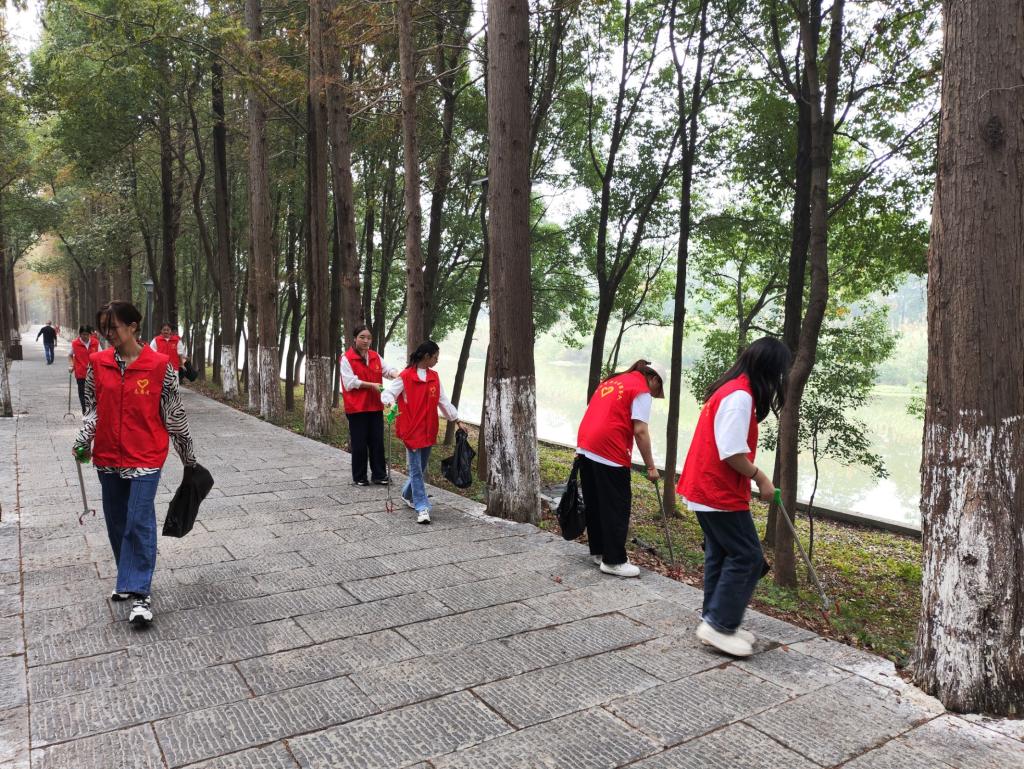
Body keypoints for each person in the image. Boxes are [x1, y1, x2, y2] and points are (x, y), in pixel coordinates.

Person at [72, 301, 197, 626]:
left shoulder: (159, 367)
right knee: (116, 521)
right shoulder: (98, 363)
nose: (107, 334)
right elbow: (92, 410)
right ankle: (126, 578)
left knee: (138, 519)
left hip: (146, 457)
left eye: (113, 327)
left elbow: (174, 415)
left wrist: (188, 458)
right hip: (108, 457)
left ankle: (141, 592)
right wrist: (83, 439)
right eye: (104, 328)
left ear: (133, 326)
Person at [678, 336, 791, 658]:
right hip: (716, 491)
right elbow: (731, 452)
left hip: (706, 488)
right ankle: (719, 625)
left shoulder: (729, 390)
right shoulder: (739, 397)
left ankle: (714, 621)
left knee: (721, 553)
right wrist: (761, 478)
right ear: (769, 370)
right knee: (747, 557)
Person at [575, 360, 666, 577]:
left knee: (596, 503)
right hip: (610, 449)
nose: (654, 395)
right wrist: (651, 467)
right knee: (617, 506)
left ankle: (600, 552)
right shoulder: (641, 390)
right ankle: (614, 561)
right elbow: (640, 431)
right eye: (657, 390)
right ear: (654, 379)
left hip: (586, 444)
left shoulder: (614, 380)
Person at [381, 340, 464, 524]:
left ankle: (406, 494)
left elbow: (443, 401)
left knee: (421, 466)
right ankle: (422, 507)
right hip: (411, 429)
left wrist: (457, 420)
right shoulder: (406, 376)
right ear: (426, 356)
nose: (437, 360)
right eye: (435, 357)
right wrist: (391, 404)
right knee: (417, 470)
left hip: (428, 429)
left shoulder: (434, 377)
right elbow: (388, 393)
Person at [340, 325, 401, 486]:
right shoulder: (346, 358)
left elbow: (387, 370)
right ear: (355, 338)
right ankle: (359, 477)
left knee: (377, 441)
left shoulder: (375, 356)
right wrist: (371, 385)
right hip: (357, 407)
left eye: (368, 338)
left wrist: (397, 375)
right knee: (359, 443)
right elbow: (349, 383)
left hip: (375, 406)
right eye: (362, 337)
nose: (366, 340)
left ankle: (379, 475)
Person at [68, 325, 99, 412]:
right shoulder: (75, 343)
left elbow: (100, 355)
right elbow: (70, 355)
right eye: (83, 334)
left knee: (93, 393)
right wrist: (71, 365)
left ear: (90, 334)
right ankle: (85, 411)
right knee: (82, 394)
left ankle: (93, 411)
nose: (85, 336)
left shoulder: (95, 343)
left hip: (93, 373)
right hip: (81, 373)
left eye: (87, 334)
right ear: (80, 334)